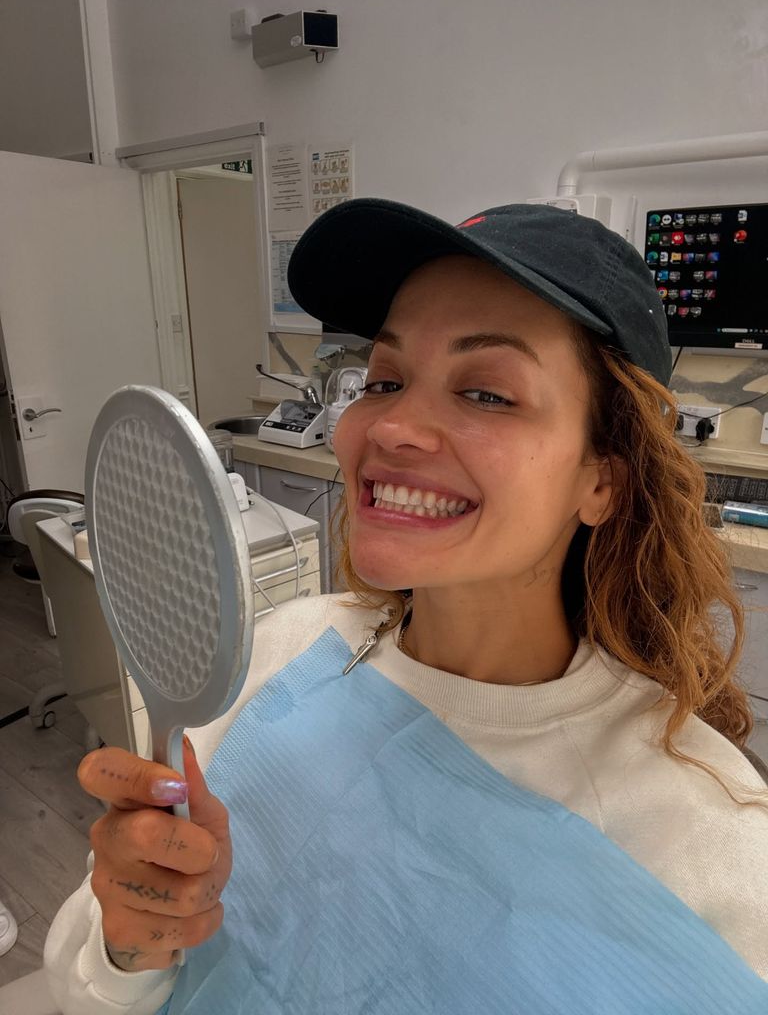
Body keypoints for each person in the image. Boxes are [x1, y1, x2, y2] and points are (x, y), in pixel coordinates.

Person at [45, 200, 768, 1014]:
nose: (390, 426)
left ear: (602, 480)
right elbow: (95, 980)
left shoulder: (714, 851)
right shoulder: (283, 652)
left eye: (488, 393)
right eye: (384, 379)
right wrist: (130, 940)